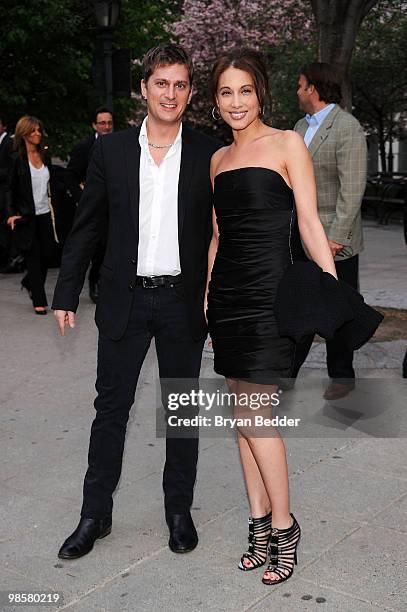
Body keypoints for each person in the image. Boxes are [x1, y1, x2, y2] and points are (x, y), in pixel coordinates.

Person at [52, 43, 220, 560]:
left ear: (189, 92)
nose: (171, 93)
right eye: (161, 83)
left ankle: (178, 511)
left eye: (180, 84)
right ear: (143, 88)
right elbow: (89, 227)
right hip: (124, 301)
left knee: (181, 412)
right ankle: (94, 515)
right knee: (110, 412)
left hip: (181, 302)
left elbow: (230, 226)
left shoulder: (208, 151)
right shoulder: (112, 150)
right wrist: (66, 293)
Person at [206, 49, 339, 586]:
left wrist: (331, 290)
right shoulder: (216, 161)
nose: (236, 102)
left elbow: (308, 222)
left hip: (270, 298)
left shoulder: (288, 143)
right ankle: (258, 524)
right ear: (215, 101)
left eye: (244, 90)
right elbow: (217, 237)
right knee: (242, 422)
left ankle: (285, 527)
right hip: (229, 299)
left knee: (258, 420)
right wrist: (207, 300)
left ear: (261, 92)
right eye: (224, 92)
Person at [293, 62, 368, 400]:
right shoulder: (297, 128)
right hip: (299, 238)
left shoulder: (347, 128)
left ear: (314, 89)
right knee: (298, 307)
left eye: (301, 85)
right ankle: (286, 373)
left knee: (338, 312)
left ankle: (342, 376)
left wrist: (335, 237)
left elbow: (352, 189)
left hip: (335, 242)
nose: (297, 91)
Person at [5, 115, 59, 314]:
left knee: (47, 255)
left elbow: (51, 184)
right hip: (26, 216)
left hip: (45, 213)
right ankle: (39, 299)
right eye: (33, 130)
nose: (37, 134)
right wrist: (11, 214)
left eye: (39, 130)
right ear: (24, 133)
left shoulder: (44, 155)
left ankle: (29, 282)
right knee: (34, 258)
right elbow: (9, 189)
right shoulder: (16, 159)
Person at [65, 107, 114, 303]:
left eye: (109, 123)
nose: (106, 126)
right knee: (96, 249)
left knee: (109, 248)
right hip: (93, 209)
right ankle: (94, 284)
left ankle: (105, 284)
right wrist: (82, 197)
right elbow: (69, 175)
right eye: (102, 123)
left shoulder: (118, 144)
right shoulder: (83, 147)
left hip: (114, 207)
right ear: (94, 125)